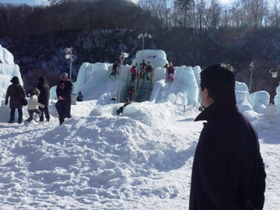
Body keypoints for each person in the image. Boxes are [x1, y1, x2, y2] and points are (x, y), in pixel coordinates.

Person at [189, 63, 266, 210]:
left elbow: (214, 186)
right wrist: (254, 206)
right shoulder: (247, 126)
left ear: (206, 92)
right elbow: (259, 172)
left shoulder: (213, 130)